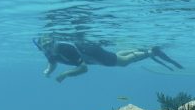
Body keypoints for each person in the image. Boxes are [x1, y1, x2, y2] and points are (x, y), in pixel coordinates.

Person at [33, 35, 183, 82]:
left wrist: (65, 74)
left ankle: (150, 52)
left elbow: (83, 68)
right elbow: (52, 62)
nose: (49, 48)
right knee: (115, 57)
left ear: (55, 41)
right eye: (45, 46)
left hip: (93, 54)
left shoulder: (66, 49)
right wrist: (48, 71)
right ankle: (137, 49)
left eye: (50, 44)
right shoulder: (48, 52)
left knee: (122, 63)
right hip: (90, 53)